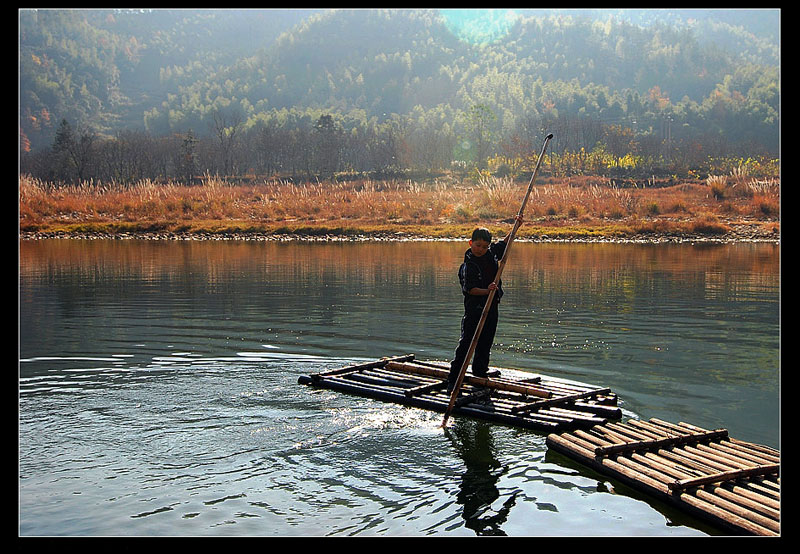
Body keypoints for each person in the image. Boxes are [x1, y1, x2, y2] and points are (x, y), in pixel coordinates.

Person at [447, 217, 522, 393]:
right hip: (475, 310)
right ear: (471, 243)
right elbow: (470, 289)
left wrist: (516, 226)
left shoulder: (491, 254)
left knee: (486, 342)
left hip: (492, 307)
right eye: (477, 245)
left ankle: (480, 373)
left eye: (484, 246)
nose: (480, 249)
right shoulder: (467, 266)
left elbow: (506, 243)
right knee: (467, 343)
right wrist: (487, 291)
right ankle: (454, 378)